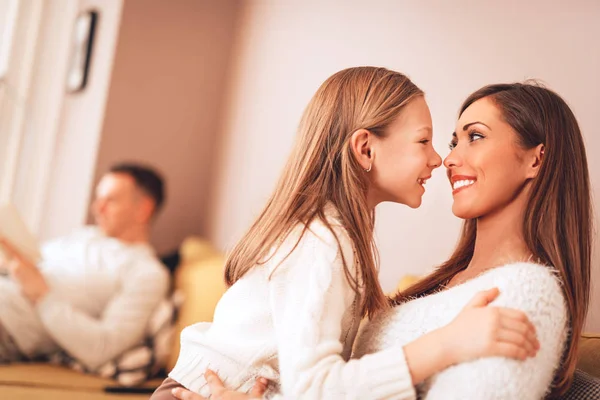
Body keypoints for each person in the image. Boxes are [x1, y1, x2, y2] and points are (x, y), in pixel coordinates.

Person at [153, 67, 539, 400]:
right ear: (365, 149)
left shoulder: (337, 237)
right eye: (424, 140)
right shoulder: (322, 240)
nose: (439, 159)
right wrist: (446, 343)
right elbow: (316, 390)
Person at [353, 83, 591, 399]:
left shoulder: (527, 292)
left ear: (536, 160)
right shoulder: (440, 284)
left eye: (475, 137)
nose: (449, 159)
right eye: (455, 142)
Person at [0, 163, 170, 371]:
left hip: (7, 327)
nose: (97, 208)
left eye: (110, 200)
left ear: (144, 209)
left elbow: (102, 348)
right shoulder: (84, 236)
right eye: (98, 199)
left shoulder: (146, 272)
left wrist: (41, 295)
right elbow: (31, 264)